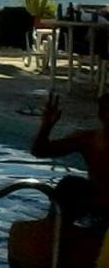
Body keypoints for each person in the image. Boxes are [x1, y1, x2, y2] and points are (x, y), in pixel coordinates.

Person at [31, 90, 109, 224]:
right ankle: (54, 228)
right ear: (101, 115)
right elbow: (40, 151)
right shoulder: (87, 139)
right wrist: (46, 126)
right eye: (106, 111)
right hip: (95, 204)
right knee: (69, 185)